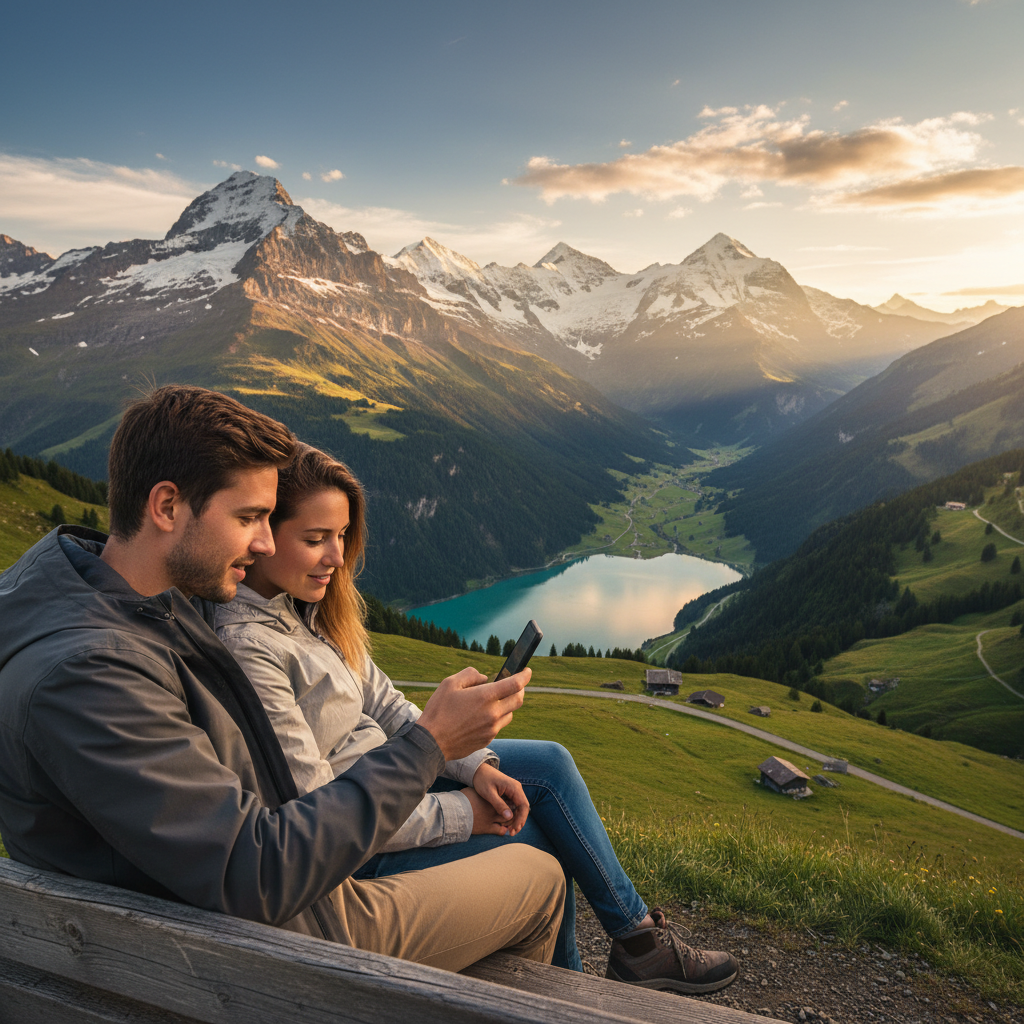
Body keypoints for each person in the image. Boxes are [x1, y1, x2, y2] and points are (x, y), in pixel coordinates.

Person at [0, 385, 565, 973]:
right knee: (538, 875)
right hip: (278, 943)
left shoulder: (124, 603)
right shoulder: (92, 676)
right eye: (249, 518)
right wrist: (431, 746)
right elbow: (258, 874)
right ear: (166, 507)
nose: (267, 544)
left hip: (236, 915)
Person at [215, 442, 740, 993]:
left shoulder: (311, 610)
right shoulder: (251, 647)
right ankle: (570, 994)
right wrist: (461, 811)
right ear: (264, 535)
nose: (336, 557)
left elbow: (390, 705)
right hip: (364, 838)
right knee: (535, 841)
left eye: (342, 536)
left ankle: (638, 942)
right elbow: (319, 812)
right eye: (315, 539)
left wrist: (474, 765)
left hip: (394, 775)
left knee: (550, 766)